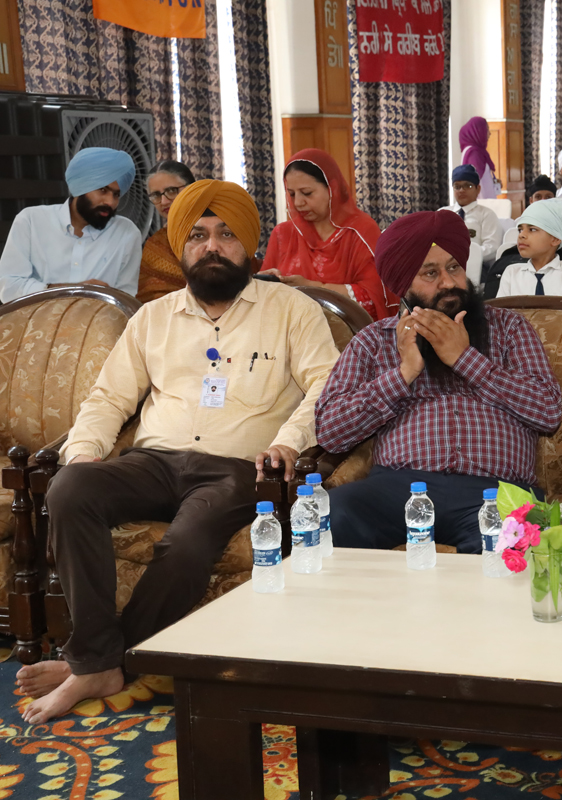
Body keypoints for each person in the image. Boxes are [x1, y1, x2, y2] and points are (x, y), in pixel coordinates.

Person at [18, 180, 340, 724]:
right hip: (152, 461)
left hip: (235, 470)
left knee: (189, 542)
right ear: (180, 249)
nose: (211, 246)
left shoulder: (292, 310)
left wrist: (289, 441)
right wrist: (84, 452)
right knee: (69, 488)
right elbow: (109, 398)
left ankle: (100, 664)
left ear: (249, 245)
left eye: (226, 234)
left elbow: (326, 385)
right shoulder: (153, 316)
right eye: (197, 236)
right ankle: (98, 660)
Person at [315, 210, 562, 551]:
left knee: (514, 550)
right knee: (334, 514)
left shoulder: (509, 328)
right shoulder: (374, 340)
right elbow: (330, 431)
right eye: (430, 273)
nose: (448, 282)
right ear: (404, 286)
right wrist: (403, 374)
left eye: (454, 267)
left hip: (497, 493)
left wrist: (465, 359)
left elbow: (548, 412)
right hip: (398, 489)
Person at [261, 149, 390, 321]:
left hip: (348, 334)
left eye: (307, 193)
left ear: (332, 189)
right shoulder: (283, 234)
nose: (298, 202)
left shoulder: (360, 232)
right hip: (288, 331)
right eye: (291, 194)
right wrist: (267, 282)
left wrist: (311, 287)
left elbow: (374, 299)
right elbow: (261, 297)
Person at [0, 147, 141, 303]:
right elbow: (9, 287)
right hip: (37, 318)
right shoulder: (31, 220)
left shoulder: (126, 233)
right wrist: (73, 291)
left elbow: (127, 299)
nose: (110, 202)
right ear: (80, 186)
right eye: (102, 190)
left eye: (116, 194)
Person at [496, 200, 562, 297]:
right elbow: (501, 307)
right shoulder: (511, 273)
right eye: (520, 230)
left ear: (555, 239)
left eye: (532, 229)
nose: (521, 235)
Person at [138, 159, 196, 302]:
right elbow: (148, 300)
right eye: (156, 195)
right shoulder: (156, 245)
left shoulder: (219, 232)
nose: (164, 201)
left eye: (171, 191)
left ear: (192, 189)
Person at [440, 164, 502, 266]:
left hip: (476, 266)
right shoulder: (442, 213)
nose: (461, 190)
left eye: (468, 186)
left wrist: (463, 256)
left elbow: (492, 249)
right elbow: (433, 242)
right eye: (457, 187)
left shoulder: (487, 215)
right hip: (444, 264)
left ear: (478, 189)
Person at [458, 116, 500, 199]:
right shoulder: (474, 153)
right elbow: (475, 181)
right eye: (487, 129)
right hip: (482, 202)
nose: (489, 134)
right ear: (478, 131)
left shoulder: (471, 150)